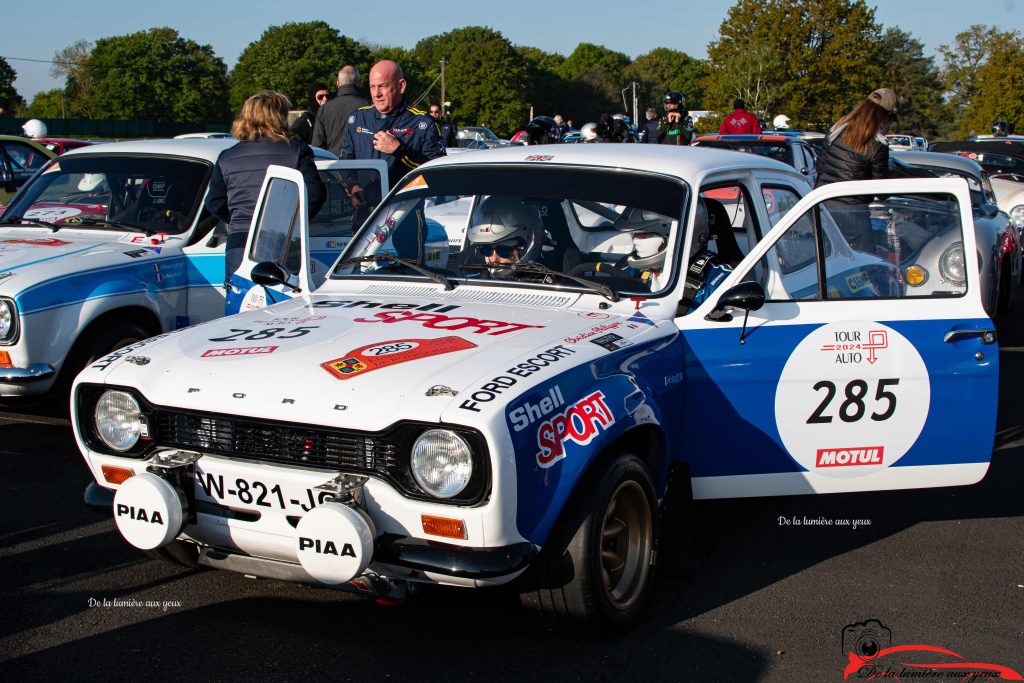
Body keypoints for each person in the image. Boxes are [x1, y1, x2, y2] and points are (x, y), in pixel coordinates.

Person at [205, 91, 326, 282]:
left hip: (239, 242)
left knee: (240, 301)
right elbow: (314, 195)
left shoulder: (227, 156)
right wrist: (292, 226)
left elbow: (214, 202)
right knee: (282, 305)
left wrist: (239, 218)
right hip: (281, 242)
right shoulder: (296, 149)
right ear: (280, 117)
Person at [341, 60, 443, 207]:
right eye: (372, 87)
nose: (377, 94)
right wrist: (353, 187)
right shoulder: (357, 119)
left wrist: (399, 150)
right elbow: (345, 163)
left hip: (405, 214)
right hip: (364, 215)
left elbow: (437, 173)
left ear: (401, 86)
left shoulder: (423, 124)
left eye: (383, 86)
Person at [815, 87, 898, 187]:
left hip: (823, 197)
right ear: (886, 116)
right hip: (854, 202)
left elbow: (820, 167)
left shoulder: (837, 128)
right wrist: (895, 174)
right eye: (891, 120)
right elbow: (881, 191)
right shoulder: (878, 144)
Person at [464, 196, 543, 278]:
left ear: (523, 247)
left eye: (503, 251)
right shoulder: (468, 268)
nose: (493, 259)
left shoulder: (550, 283)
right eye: (486, 250)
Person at [311, 65, 369, 155]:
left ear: (338, 83)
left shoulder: (324, 109)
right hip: (362, 165)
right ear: (359, 83)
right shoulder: (369, 106)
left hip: (333, 164)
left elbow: (317, 146)